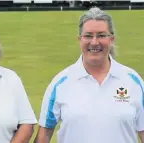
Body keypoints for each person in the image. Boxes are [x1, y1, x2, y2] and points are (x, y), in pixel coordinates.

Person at [34, 7, 144, 143]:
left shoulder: (132, 81)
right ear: (79, 39)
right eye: (88, 35)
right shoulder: (61, 83)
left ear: (112, 39)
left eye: (102, 35)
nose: (94, 42)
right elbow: (44, 135)